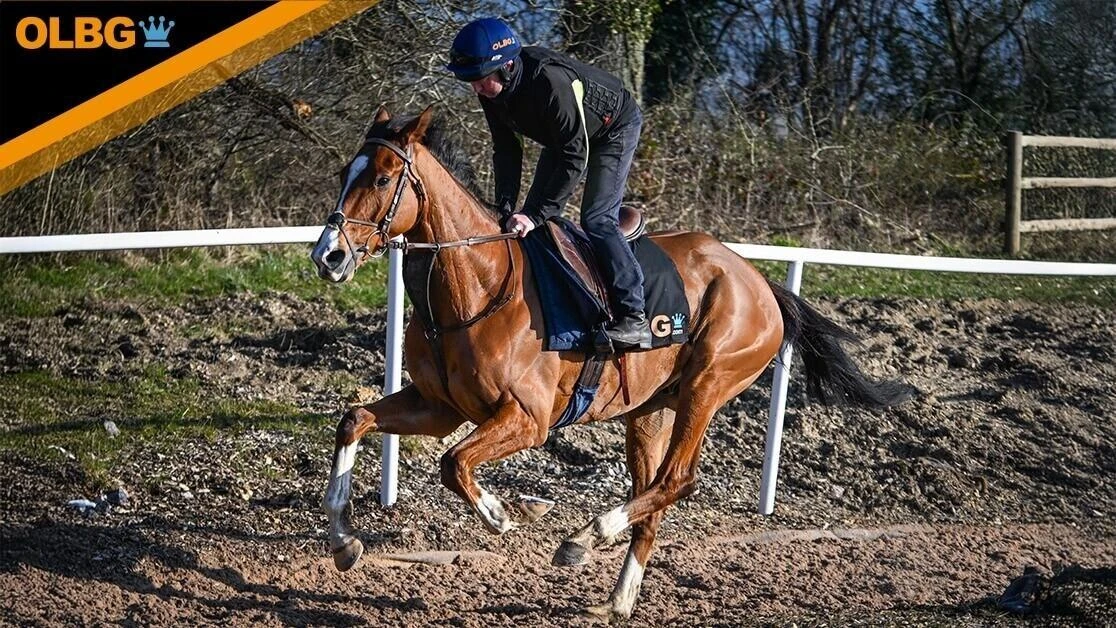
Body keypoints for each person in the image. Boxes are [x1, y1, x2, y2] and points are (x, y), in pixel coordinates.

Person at [445, 17, 651, 351]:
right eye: (470, 81)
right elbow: (507, 150)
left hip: (613, 129)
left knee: (596, 218)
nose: (476, 89)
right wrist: (504, 208)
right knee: (531, 219)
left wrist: (535, 213)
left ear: (506, 67)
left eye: (480, 80)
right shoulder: (491, 89)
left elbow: (575, 157)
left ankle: (634, 316)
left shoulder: (550, 82)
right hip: (564, 139)